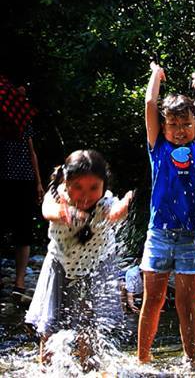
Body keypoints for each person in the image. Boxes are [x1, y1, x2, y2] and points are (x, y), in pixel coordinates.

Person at [138, 63, 195, 365]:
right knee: (152, 300)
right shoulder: (157, 148)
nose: (180, 131)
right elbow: (151, 103)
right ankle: (143, 359)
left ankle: (191, 361)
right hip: (159, 235)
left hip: (192, 236)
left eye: (186, 125)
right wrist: (156, 75)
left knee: (187, 303)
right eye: (174, 125)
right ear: (164, 128)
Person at [25, 150, 134, 369]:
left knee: (88, 322)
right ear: (66, 182)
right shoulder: (57, 195)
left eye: (94, 188)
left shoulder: (104, 201)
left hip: (93, 268)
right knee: (50, 324)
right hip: (60, 266)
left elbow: (114, 211)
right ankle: (45, 369)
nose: (85, 196)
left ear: (103, 184)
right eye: (78, 188)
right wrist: (65, 214)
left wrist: (122, 208)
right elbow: (47, 210)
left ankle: (89, 367)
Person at [0, 83, 44, 297]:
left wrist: (38, 182)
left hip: (23, 179)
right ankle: (14, 281)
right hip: (7, 178)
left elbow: (32, 151)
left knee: (23, 230)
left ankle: (19, 282)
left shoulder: (23, 119)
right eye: (20, 88)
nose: (23, 91)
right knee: (19, 229)